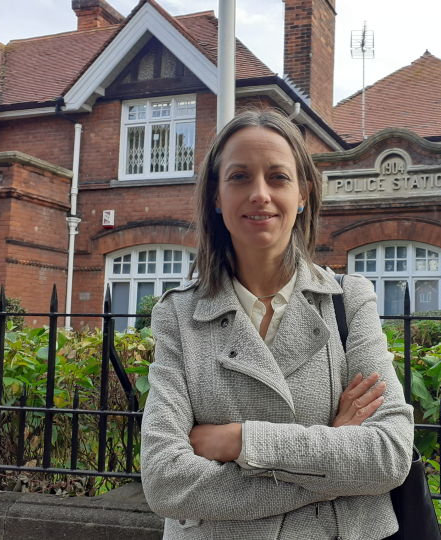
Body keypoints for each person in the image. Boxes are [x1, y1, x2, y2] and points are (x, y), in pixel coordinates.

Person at [140, 108, 415, 540]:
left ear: (303, 193)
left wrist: (242, 441)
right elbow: (164, 480)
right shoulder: (177, 315)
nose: (260, 193)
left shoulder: (349, 301)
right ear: (216, 195)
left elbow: (389, 453)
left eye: (278, 177)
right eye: (239, 177)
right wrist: (328, 458)